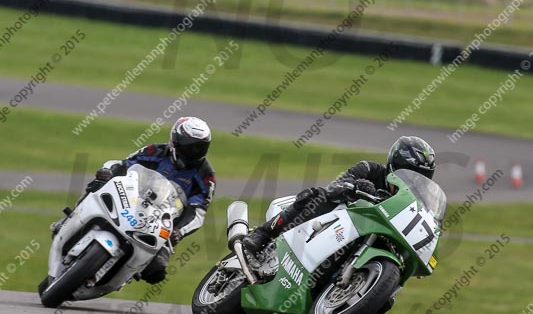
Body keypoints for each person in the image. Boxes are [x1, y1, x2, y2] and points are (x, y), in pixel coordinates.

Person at [51, 116, 215, 284]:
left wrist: (180, 231)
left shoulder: (205, 176)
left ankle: (119, 278)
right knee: (100, 182)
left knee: (156, 271)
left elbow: (198, 213)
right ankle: (71, 217)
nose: (194, 152)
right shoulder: (154, 151)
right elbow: (123, 165)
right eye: (190, 147)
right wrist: (108, 172)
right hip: (131, 201)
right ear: (175, 141)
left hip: (161, 225)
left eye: (200, 147)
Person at [243, 135, 436, 255]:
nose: (413, 181)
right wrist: (355, 187)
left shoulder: (415, 202)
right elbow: (334, 186)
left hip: (368, 235)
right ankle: (263, 233)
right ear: (395, 166)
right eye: (409, 173)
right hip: (339, 220)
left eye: (420, 178)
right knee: (315, 195)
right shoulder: (369, 169)